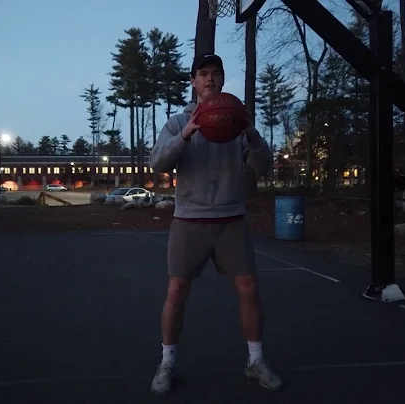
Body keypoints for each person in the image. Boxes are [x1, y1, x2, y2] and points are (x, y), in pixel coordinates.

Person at [148, 53, 282, 395]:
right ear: (193, 81)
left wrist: (253, 136)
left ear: (222, 80)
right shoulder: (178, 122)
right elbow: (158, 164)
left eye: (215, 74)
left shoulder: (237, 120)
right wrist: (188, 133)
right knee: (177, 291)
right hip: (189, 219)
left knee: (249, 288)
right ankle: (167, 362)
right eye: (203, 74)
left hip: (231, 219)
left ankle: (255, 361)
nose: (209, 79)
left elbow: (263, 168)